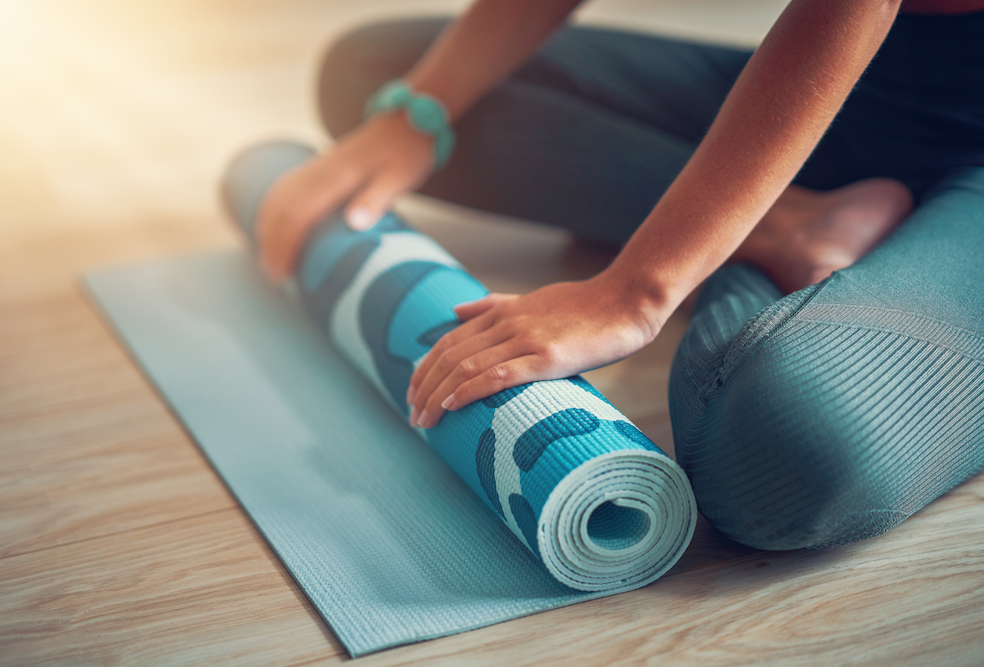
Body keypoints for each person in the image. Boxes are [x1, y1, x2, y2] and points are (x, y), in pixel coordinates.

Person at [255, 0, 984, 550]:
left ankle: (754, 246)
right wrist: (418, 115)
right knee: (377, 77)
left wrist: (638, 289)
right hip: (858, 82)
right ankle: (780, 227)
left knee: (785, 453)